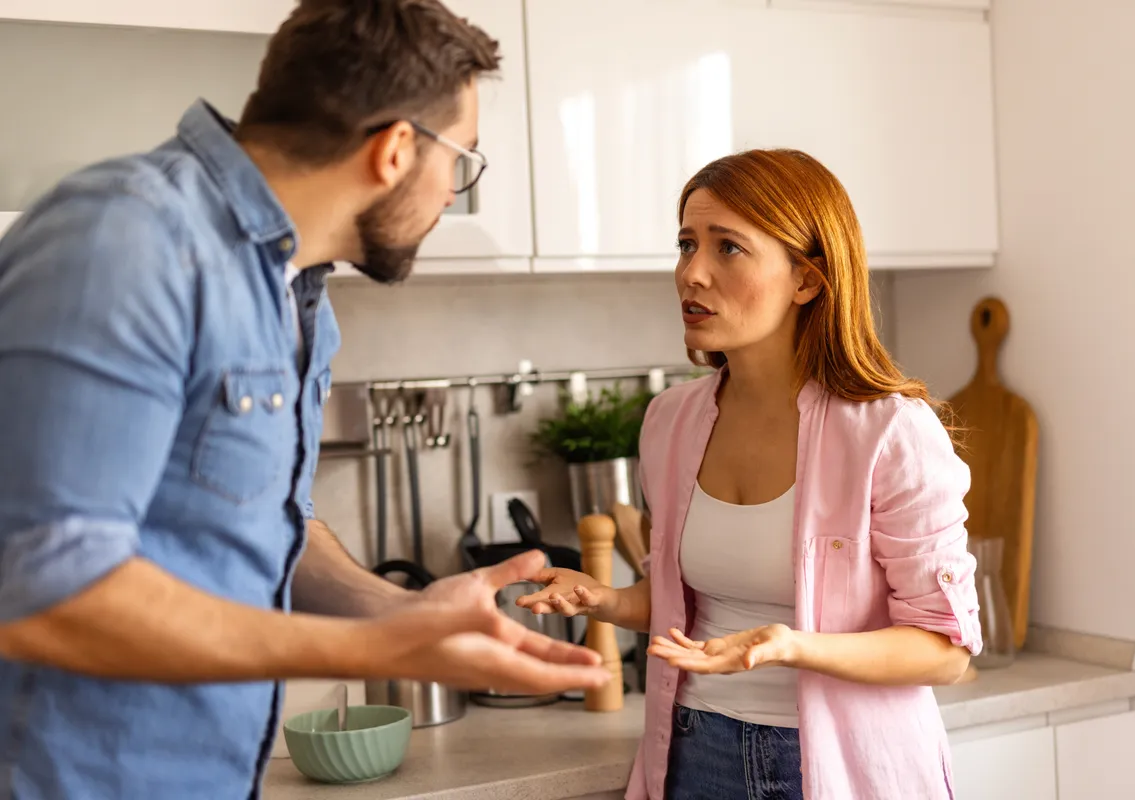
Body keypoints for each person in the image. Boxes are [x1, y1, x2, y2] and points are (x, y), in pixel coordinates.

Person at [0, 1, 609, 797]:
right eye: (460, 160)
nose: (453, 193)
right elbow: (45, 589)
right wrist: (375, 654)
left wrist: (402, 613)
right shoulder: (127, 238)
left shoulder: (296, 297)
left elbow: (267, 519)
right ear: (396, 151)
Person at [518, 149, 983, 800]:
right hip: (696, 749)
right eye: (686, 244)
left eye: (728, 248)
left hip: (844, 766)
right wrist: (607, 600)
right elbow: (688, 605)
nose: (692, 273)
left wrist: (792, 646)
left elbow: (944, 649)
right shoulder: (670, 423)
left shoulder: (888, 433)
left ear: (807, 279)